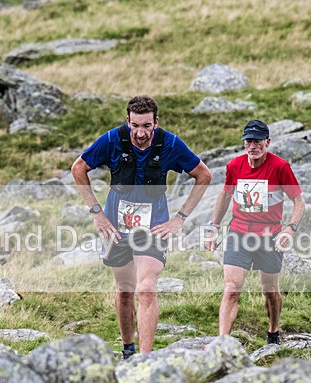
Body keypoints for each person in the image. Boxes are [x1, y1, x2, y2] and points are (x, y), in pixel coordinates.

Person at [71, 95, 211, 359]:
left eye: (147, 126)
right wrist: (97, 214)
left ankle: (146, 361)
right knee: (125, 292)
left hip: (154, 228)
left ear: (155, 123)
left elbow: (203, 175)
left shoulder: (170, 144)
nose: (140, 132)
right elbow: (78, 168)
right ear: (128, 121)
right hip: (116, 227)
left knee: (146, 288)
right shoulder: (112, 139)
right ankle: (128, 351)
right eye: (135, 125)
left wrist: (179, 218)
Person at [205, 120, 305, 345]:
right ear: (244, 142)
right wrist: (214, 226)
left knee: (270, 291)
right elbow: (225, 195)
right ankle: (222, 343)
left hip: (269, 237)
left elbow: (299, 202)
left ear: (267, 142)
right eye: (249, 141)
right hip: (239, 234)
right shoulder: (234, 166)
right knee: (231, 288)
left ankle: (273, 331)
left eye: (258, 141)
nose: (253, 146)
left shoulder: (280, 167)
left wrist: (290, 229)